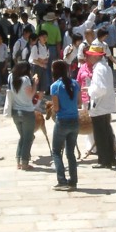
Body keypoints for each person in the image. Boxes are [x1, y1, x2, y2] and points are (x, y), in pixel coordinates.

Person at [50, 60, 81, 191]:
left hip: (62, 121)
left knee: (56, 151)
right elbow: (79, 103)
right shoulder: (75, 83)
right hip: (75, 120)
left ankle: (61, 180)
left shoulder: (55, 86)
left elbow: (56, 108)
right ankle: (73, 181)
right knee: (71, 153)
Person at [86, 45, 116, 169]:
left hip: (99, 105)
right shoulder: (106, 67)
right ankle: (110, 159)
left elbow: (100, 88)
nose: (88, 57)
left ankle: (104, 160)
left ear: (95, 56)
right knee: (107, 132)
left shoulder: (99, 69)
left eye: (90, 55)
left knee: (100, 134)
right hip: (106, 105)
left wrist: (89, 91)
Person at [9, 61, 39, 171]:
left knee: (22, 137)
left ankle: (18, 161)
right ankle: (25, 162)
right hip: (27, 112)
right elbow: (31, 95)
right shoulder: (25, 79)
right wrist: (35, 83)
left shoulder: (11, 77)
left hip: (15, 112)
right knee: (28, 138)